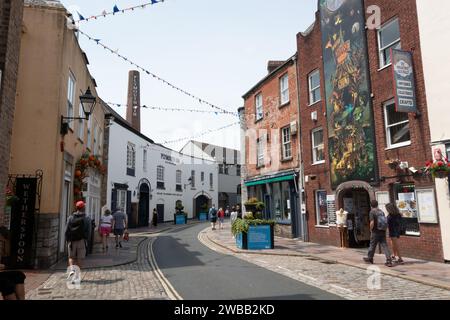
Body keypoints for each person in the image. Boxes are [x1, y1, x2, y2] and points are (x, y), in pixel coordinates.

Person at [65, 201, 91, 280]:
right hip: (81, 241)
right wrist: (87, 240)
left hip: (72, 241)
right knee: (80, 258)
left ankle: (72, 269)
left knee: (71, 257)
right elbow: (89, 231)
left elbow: (66, 230)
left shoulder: (70, 217)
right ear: (83, 208)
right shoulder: (87, 218)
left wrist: (67, 239)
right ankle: (76, 276)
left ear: (76, 208)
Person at [363, 200, 393, 267]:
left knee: (372, 245)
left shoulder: (372, 212)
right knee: (385, 245)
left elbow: (372, 222)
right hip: (382, 230)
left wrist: (370, 229)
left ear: (371, 205)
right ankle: (389, 260)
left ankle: (370, 258)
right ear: (377, 204)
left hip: (375, 231)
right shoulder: (381, 211)